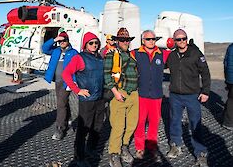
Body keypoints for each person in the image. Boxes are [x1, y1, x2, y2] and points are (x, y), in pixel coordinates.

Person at [166, 29, 210, 167]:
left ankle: (200, 153)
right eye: (178, 39)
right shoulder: (172, 56)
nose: (182, 41)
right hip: (175, 95)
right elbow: (157, 65)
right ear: (174, 41)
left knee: (195, 124)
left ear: (187, 38)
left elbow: (206, 73)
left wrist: (206, 92)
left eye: (184, 38)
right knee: (174, 121)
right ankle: (175, 145)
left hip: (192, 95)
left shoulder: (195, 54)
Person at [62, 32, 105, 167]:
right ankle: (79, 156)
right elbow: (66, 74)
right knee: (84, 128)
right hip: (87, 99)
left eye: (96, 43)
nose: (94, 45)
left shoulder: (99, 57)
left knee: (97, 126)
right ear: (85, 44)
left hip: (100, 98)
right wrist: (77, 90)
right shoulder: (79, 58)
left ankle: (91, 149)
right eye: (91, 43)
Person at [132, 30, 171, 161]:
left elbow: (179, 56)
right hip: (141, 94)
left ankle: (151, 148)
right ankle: (139, 147)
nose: (151, 41)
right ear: (143, 40)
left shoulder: (162, 53)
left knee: (154, 121)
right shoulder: (135, 53)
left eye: (153, 39)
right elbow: (121, 59)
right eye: (148, 39)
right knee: (140, 121)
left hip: (156, 95)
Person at [104, 27, 138, 167]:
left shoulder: (131, 54)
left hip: (134, 94)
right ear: (117, 41)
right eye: (122, 40)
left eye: (127, 40)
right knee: (118, 127)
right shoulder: (111, 54)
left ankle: (124, 147)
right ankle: (114, 153)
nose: (125, 42)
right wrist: (115, 92)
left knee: (131, 125)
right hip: (119, 93)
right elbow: (107, 75)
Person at [42, 31, 78, 140]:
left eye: (64, 40)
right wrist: (54, 40)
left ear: (68, 41)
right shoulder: (55, 51)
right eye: (60, 41)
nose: (62, 42)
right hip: (57, 81)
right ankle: (69, 122)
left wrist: (73, 82)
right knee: (63, 103)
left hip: (67, 83)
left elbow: (76, 68)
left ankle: (60, 129)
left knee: (60, 105)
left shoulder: (73, 52)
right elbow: (44, 48)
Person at [223, 43, 233, 130]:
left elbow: (225, 63)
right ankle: (228, 123)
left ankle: (226, 119)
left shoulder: (230, 47)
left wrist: (227, 78)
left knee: (231, 98)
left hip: (230, 78)